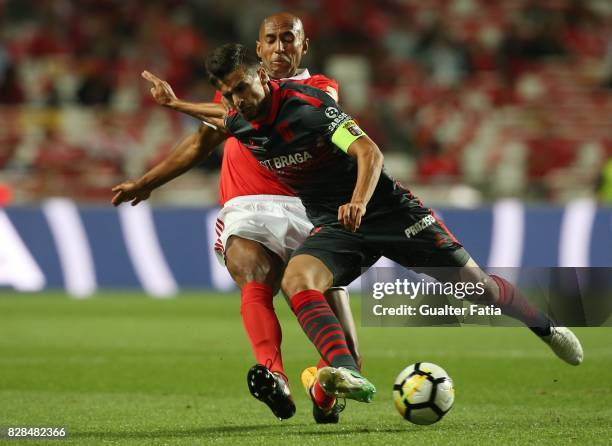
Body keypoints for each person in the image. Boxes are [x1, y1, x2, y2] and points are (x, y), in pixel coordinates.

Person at [175, 42, 584, 411]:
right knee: (298, 280)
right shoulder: (239, 119)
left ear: (262, 75)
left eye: (241, 89)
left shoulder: (309, 106)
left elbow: (368, 151)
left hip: (388, 211)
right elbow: (219, 118)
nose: (236, 101)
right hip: (338, 225)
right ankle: (345, 369)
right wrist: (176, 104)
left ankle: (544, 325)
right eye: (228, 94)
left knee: (479, 290)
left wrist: (358, 200)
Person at [111, 13, 358, 423]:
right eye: (271, 40)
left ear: (304, 47)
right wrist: (147, 182)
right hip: (249, 207)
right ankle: (272, 373)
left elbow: (268, 106)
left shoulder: (319, 88)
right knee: (253, 271)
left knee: (348, 358)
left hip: (309, 213)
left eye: (289, 39)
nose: (280, 47)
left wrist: (181, 103)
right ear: (258, 49)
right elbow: (199, 144)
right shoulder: (235, 95)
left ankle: (322, 391)